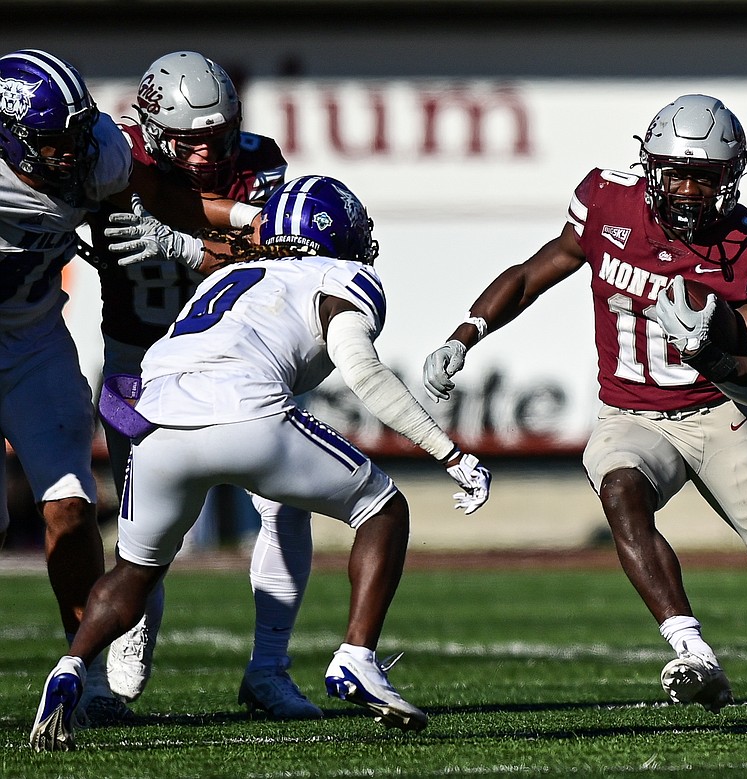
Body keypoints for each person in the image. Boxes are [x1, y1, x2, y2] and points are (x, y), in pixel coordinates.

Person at [421, 94, 747, 716]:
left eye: (705, 178)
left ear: (731, 179)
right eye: (677, 173)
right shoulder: (605, 202)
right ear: (651, 168)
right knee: (621, 491)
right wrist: (466, 333)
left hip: (712, 413)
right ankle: (690, 649)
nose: (690, 191)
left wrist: (711, 358)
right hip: (629, 413)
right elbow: (535, 272)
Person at [30, 175, 492, 752]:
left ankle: (71, 666)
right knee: (383, 508)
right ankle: (356, 657)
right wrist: (448, 452)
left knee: (136, 569)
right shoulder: (343, 277)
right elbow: (365, 373)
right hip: (247, 411)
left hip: (157, 418)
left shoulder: (224, 276)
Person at [89, 50, 320, 720]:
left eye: (217, 137)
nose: (208, 154)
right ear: (156, 132)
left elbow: (278, 251)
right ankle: (122, 660)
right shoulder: (112, 156)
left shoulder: (259, 160)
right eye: (191, 143)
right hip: (138, 361)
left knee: (286, 502)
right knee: (143, 527)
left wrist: (188, 244)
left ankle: (270, 668)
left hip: (239, 359)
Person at [0, 47, 138, 724]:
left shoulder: (101, 153)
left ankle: (88, 680)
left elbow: (138, 202)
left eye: (77, 136)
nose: (71, 154)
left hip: (33, 341)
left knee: (73, 505)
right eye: (54, 143)